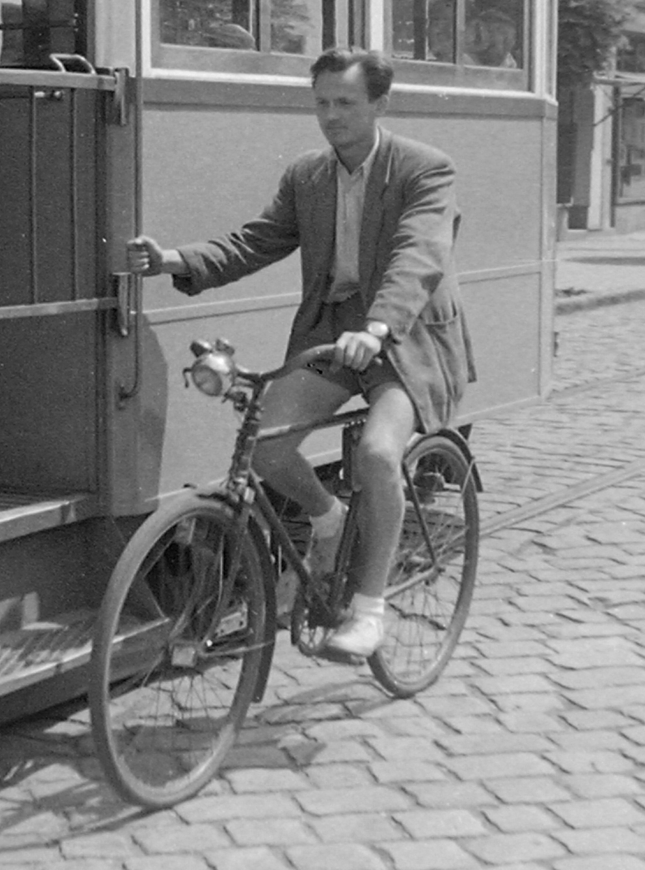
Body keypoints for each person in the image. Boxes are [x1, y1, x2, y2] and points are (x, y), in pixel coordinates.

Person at [127, 47, 475, 663]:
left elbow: (418, 255)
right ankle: (329, 518)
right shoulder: (309, 176)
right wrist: (176, 259)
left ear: (378, 105)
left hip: (407, 336)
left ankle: (368, 612)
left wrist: (378, 327)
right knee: (267, 444)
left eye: (345, 103)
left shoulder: (425, 169)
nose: (331, 116)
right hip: (333, 334)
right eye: (321, 103)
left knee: (375, 453)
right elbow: (257, 240)